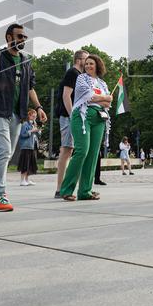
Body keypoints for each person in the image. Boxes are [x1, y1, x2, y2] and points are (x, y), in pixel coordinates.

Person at [0, 23, 48, 213]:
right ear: (9, 37)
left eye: (24, 37)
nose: (23, 39)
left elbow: (30, 87)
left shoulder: (26, 61)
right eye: (19, 36)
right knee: (5, 150)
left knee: (5, 155)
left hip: (18, 113)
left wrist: (38, 107)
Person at [60, 54, 111, 201]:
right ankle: (66, 189)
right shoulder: (81, 78)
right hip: (82, 115)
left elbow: (108, 104)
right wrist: (105, 98)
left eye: (91, 64)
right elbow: (89, 97)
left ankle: (85, 191)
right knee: (82, 151)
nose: (88, 66)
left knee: (93, 153)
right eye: (86, 63)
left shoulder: (102, 83)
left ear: (98, 66)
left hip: (99, 118)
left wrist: (104, 99)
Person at [54, 50, 88, 198]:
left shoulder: (81, 76)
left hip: (76, 116)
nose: (88, 63)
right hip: (68, 116)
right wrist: (73, 114)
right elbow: (66, 95)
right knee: (67, 150)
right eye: (86, 60)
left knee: (76, 150)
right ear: (79, 60)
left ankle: (71, 186)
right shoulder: (72, 73)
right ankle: (60, 188)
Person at [18, 109, 40, 186]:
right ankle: (22, 180)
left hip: (32, 146)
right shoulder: (25, 124)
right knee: (25, 163)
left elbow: (37, 134)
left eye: (35, 117)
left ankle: (27, 179)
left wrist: (38, 130)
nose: (35, 118)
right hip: (26, 146)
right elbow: (22, 134)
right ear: (29, 116)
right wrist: (31, 131)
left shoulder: (33, 124)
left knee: (30, 163)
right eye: (33, 116)